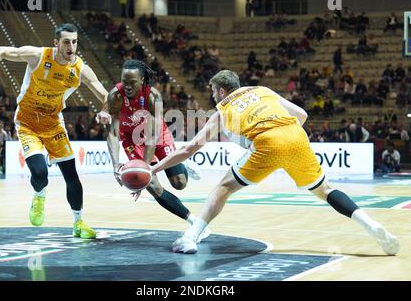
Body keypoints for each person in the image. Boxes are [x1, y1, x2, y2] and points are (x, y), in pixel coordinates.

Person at [152, 70, 399, 256]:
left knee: (223, 188)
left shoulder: (222, 110)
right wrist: (286, 144)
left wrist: (153, 168)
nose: (212, 95)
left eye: (213, 91)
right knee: (326, 190)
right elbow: (302, 115)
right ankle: (371, 225)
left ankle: (190, 238)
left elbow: (191, 148)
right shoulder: (263, 91)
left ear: (223, 91)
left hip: (267, 143)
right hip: (296, 136)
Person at [0, 23, 110, 239]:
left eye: (75, 41)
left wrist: (105, 111)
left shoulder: (79, 69)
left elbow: (106, 95)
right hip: (27, 122)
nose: (71, 46)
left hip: (53, 123)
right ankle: (39, 195)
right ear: (56, 43)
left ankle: (78, 223)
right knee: (40, 174)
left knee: (72, 176)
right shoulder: (39, 56)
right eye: (66, 42)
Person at [103, 59, 210, 241]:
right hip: (131, 139)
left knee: (179, 183)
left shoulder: (153, 96)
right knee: (151, 184)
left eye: (132, 83)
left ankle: (183, 162)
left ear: (143, 80)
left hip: (157, 136)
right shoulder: (115, 96)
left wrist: (145, 169)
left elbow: (152, 137)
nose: (127, 87)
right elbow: (112, 133)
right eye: (124, 81)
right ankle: (195, 223)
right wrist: (115, 165)